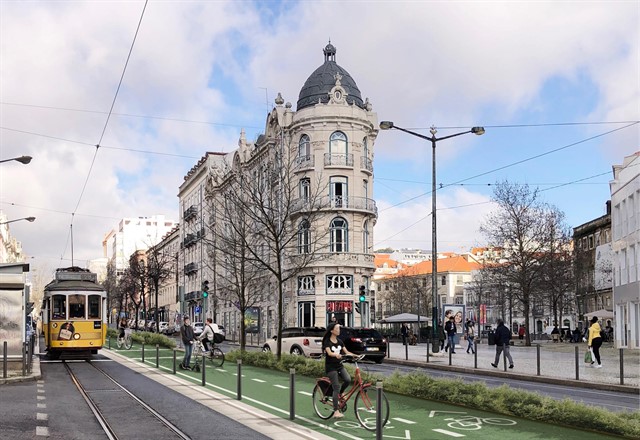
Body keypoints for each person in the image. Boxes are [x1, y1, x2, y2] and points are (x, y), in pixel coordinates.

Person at [322, 322, 355, 419]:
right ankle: (336, 411)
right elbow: (329, 352)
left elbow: (347, 352)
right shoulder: (327, 341)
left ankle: (341, 393)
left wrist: (355, 355)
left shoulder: (340, 341)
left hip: (339, 366)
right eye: (337, 328)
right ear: (332, 330)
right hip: (331, 367)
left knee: (348, 379)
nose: (339, 330)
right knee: (336, 387)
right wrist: (335, 354)